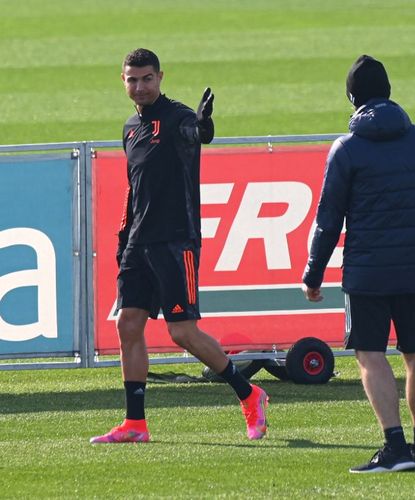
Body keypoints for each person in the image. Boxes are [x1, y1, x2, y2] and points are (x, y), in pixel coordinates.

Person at [90, 48, 268, 444]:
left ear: (160, 77)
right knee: (128, 324)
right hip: (138, 243)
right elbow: (134, 190)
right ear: (123, 81)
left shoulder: (179, 118)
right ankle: (135, 424)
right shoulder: (129, 129)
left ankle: (250, 394)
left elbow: (197, 134)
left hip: (175, 241)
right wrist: (124, 238)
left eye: (147, 78)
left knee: (182, 332)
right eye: (132, 80)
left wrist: (203, 128)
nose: (140, 86)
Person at [302, 55, 415, 473]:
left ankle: (394, 447)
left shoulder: (347, 148)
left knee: (371, 356)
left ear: (351, 97)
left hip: (367, 274)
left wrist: (313, 273)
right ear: (388, 91)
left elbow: (328, 218)